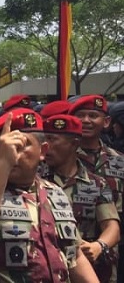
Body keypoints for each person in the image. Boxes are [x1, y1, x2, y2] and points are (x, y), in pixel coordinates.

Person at [0, 108, 98, 282]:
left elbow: (74, 254)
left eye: (21, 145)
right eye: (3, 145)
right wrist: (4, 165)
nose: (13, 152)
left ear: (42, 151)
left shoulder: (54, 193)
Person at [42, 114, 120, 282]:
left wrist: (99, 246)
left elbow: (112, 226)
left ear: (74, 144)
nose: (46, 145)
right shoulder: (34, 179)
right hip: (47, 270)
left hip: (88, 270)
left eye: (53, 139)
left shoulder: (97, 184)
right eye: (44, 139)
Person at [68, 95, 124, 277]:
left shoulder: (119, 160)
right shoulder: (62, 159)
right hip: (71, 250)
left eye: (93, 115)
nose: (86, 120)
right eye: (80, 115)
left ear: (106, 121)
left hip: (111, 252)